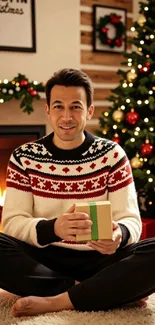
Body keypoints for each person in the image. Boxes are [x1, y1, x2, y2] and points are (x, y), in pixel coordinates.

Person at [0, 68, 154, 318]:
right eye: (59, 106)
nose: (67, 116)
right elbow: (12, 223)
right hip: (45, 260)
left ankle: (57, 299)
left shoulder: (112, 156)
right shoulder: (23, 157)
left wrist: (119, 235)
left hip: (101, 260)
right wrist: (54, 228)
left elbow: (131, 221)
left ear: (89, 110)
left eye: (76, 107)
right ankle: (100, 292)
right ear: (47, 110)